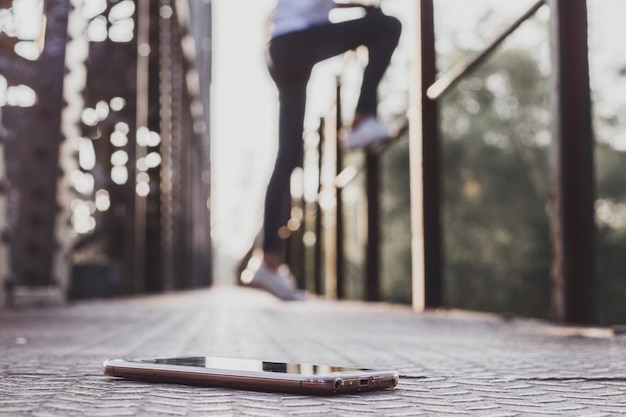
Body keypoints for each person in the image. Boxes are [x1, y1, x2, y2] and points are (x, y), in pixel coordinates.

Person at [241, 0, 402, 300]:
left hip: (281, 46)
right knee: (388, 26)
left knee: (287, 154)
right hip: (296, 41)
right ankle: (362, 119)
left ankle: (269, 261)